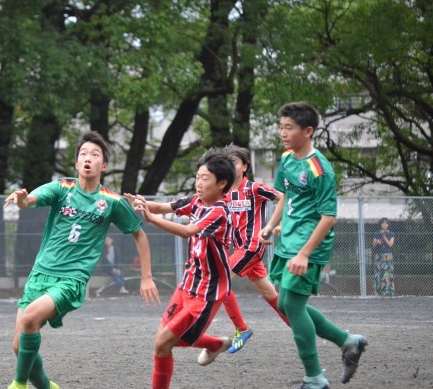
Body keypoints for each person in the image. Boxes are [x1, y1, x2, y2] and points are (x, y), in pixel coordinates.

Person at [3, 131, 160, 389]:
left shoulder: (111, 201)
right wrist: (22, 200)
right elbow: (29, 200)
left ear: (104, 165)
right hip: (40, 274)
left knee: (30, 319)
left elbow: (139, 235)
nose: (88, 158)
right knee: (19, 346)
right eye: (83, 154)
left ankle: (18, 385)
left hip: (71, 279)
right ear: (76, 163)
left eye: (95, 155)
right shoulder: (61, 187)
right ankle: (46, 387)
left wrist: (146, 277)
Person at [259, 102, 368, 389]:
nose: (283, 133)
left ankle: (315, 378)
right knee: (285, 304)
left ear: (308, 131)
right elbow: (285, 196)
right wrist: (271, 225)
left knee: (293, 306)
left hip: (308, 246)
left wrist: (305, 253)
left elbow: (328, 217)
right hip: (288, 241)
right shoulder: (287, 159)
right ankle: (349, 342)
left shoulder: (320, 168)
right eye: (281, 127)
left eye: (289, 128)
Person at [127, 150, 235, 389]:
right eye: (198, 176)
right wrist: (140, 202)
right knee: (163, 340)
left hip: (207, 293)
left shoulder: (219, 211)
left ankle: (215, 344)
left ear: (222, 183)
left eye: (205, 178)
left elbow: (188, 231)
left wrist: (152, 219)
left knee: (164, 343)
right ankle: (216, 344)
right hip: (187, 284)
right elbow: (163, 206)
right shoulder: (196, 200)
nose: (199, 182)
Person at [213, 144, 290, 355]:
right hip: (240, 250)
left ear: (245, 166)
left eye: (234, 162)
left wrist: (278, 224)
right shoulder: (224, 192)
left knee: (221, 278)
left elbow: (284, 198)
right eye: (227, 162)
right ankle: (302, 327)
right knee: (271, 295)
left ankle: (242, 328)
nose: (230, 166)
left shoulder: (254, 189)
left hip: (252, 247)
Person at [372, 218, 395, 296]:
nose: (384, 225)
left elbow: (390, 244)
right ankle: (378, 292)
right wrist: (376, 242)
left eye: (386, 223)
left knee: (387, 274)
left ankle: (387, 292)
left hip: (387, 256)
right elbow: (373, 244)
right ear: (380, 225)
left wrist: (384, 236)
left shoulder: (391, 234)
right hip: (378, 255)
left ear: (388, 225)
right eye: (383, 223)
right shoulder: (376, 233)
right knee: (378, 273)